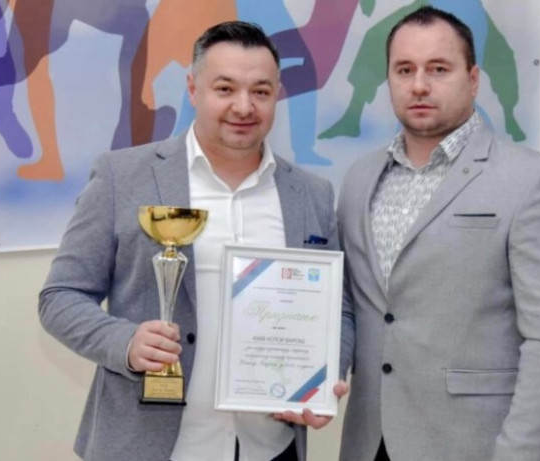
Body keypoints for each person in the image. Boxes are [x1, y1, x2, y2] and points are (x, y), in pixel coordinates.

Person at [38, 21, 338, 461]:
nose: (243, 106)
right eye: (225, 89)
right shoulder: (123, 177)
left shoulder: (312, 194)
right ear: (193, 88)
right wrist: (125, 343)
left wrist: (323, 377)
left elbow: (336, 309)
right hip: (149, 447)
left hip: (270, 447)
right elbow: (60, 297)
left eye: (260, 91)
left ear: (277, 94)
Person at [337, 6, 540, 461]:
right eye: (404, 70)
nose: (419, 85)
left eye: (438, 69)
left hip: (481, 445)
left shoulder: (533, 180)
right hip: (371, 443)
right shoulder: (358, 180)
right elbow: (350, 308)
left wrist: (519, 453)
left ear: (473, 80)